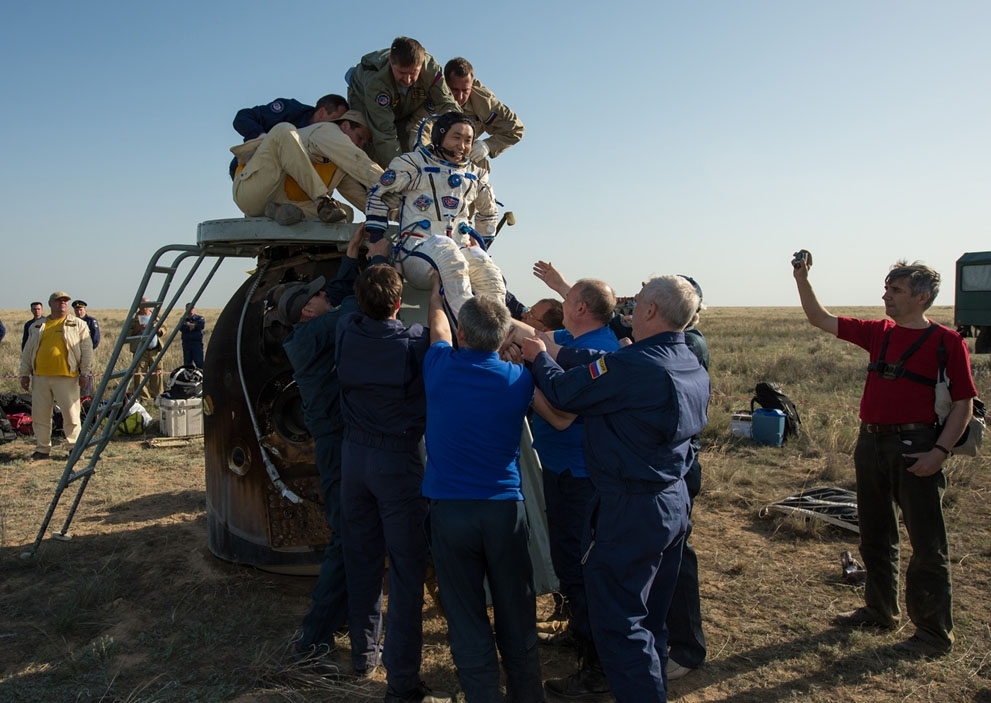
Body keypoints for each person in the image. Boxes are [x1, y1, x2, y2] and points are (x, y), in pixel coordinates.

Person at [522, 276, 710, 703]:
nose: (630, 306)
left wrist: (539, 359)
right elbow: (605, 366)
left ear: (648, 312)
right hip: (671, 501)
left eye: (638, 300)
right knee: (650, 620)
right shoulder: (686, 360)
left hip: (631, 508)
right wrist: (558, 350)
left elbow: (564, 392)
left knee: (620, 624)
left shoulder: (635, 367)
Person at [793, 253, 976, 658]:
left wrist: (939, 453)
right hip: (871, 444)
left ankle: (932, 634)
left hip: (918, 448)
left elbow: (963, 405)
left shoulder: (947, 342)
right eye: (887, 289)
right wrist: (802, 279)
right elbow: (820, 319)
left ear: (922, 297)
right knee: (876, 533)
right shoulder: (880, 333)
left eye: (896, 290)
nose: (886, 296)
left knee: (928, 545)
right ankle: (880, 610)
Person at [422, 285, 544, 703]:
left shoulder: (438, 366)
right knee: (516, 610)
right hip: (504, 512)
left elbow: (437, 329)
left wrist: (438, 300)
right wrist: (514, 333)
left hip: (451, 513)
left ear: (462, 334)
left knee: (465, 613)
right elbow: (541, 342)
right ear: (504, 337)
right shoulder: (519, 379)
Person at [335, 264, 446, 703]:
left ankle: (364, 654)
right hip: (396, 462)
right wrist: (437, 295)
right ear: (399, 304)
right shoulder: (412, 343)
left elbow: (356, 308)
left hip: (353, 459)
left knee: (361, 557)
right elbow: (439, 338)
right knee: (405, 569)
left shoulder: (346, 329)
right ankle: (403, 677)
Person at [280, 227, 389, 659]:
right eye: (318, 295)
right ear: (310, 309)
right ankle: (313, 636)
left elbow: (341, 292)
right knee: (347, 537)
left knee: (352, 533)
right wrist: (379, 262)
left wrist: (350, 256)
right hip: (339, 446)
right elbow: (357, 305)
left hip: (340, 442)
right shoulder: (320, 330)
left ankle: (340, 613)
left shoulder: (311, 329)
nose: (327, 293)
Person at [364, 111, 504, 319]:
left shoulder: (476, 174)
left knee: (489, 274)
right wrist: (377, 241)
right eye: (456, 137)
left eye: (468, 140)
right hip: (416, 253)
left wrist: (481, 243)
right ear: (439, 137)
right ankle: (470, 331)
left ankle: (499, 334)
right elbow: (377, 194)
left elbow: (489, 212)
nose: (462, 146)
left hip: (458, 249)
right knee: (448, 254)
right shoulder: (413, 164)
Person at [665, 276, 709, 681]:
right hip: (676, 466)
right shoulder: (682, 339)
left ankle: (687, 648)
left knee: (677, 559)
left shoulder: (687, 344)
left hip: (677, 470)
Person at [232, 110, 383, 226]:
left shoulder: (339, 164)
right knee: (283, 130)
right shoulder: (328, 130)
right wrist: (397, 184)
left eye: (365, 143)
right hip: (252, 190)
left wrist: (397, 214)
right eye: (360, 137)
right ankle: (321, 200)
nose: (361, 145)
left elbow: (360, 198)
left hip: (281, 202)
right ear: (345, 126)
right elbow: (359, 161)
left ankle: (276, 211)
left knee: (346, 214)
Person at [346, 37, 459, 168]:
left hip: (406, 102)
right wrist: (401, 170)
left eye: (413, 73)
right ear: (391, 63)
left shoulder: (431, 69)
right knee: (369, 146)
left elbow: (446, 102)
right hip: (364, 99)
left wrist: (452, 118)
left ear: (421, 65)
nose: (407, 79)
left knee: (408, 143)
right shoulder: (376, 82)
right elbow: (384, 134)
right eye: (402, 73)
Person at [19, 291, 94, 460]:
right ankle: (42, 449)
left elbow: (87, 350)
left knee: (71, 414)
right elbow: (27, 351)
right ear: (50, 303)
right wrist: (24, 374)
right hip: (40, 377)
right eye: (59, 301)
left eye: (65, 301)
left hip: (67, 377)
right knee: (40, 414)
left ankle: (73, 448)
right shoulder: (37, 326)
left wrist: (85, 373)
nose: (62, 304)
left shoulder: (78, 324)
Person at [229, 94, 349, 178]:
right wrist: (262, 138)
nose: (336, 128)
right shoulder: (291, 111)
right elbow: (242, 117)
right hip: (247, 169)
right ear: (322, 112)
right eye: (334, 121)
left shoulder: (328, 143)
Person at [443, 57, 524, 169]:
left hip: (466, 162)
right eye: (455, 90)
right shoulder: (432, 95)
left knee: (479, 166)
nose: (460, 96)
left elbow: (515, 129)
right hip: (432, 157)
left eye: (465, 90)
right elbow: (417, 126)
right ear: (446, 85)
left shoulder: (484, 102)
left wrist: (488, 146)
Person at [128, 298, 169, 403]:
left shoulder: (156, 317)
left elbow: (165, 328)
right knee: (139, 374)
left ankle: (158, 396)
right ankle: (144, 398)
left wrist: (158, 329)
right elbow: (128, 334)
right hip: (140, 351)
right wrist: (139, 328)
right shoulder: (134, 319)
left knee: (157, 373)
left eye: (147, 304)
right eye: (143, 304)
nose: (145, 306)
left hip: (155, 350)